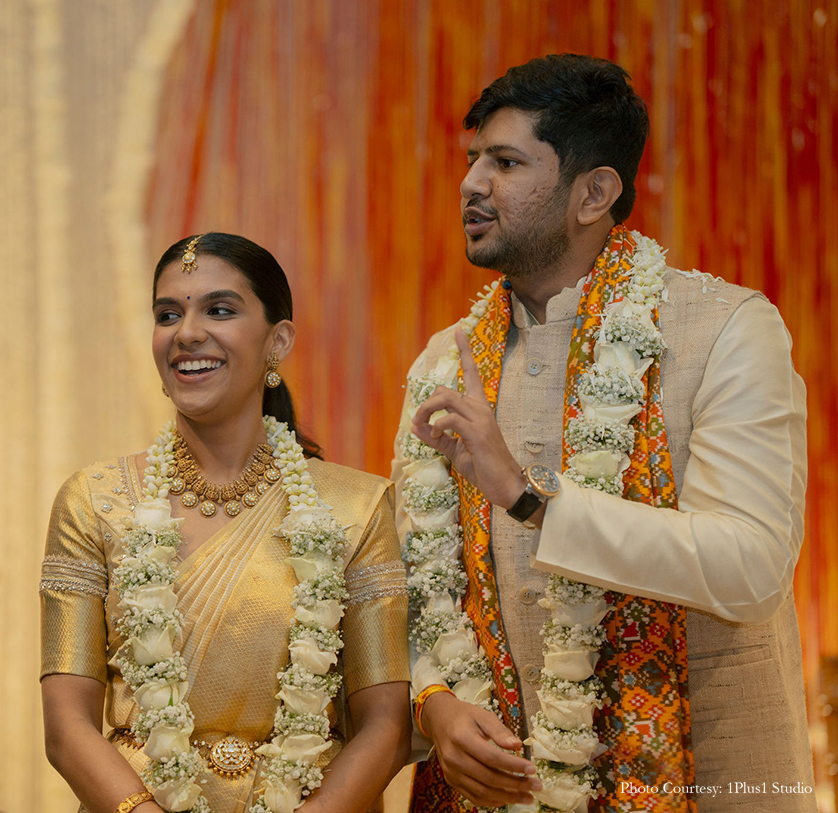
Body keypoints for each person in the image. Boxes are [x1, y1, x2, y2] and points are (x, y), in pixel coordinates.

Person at [393, 54, 813, 812]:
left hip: (710, 780)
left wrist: (529, 500)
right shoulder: (442, 363)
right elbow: (424, 588)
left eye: (505, 161)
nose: (470, 184)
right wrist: (435, 701)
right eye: (471, 160)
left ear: (594, 191)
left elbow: (751, 566)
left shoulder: (725, 330)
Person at [40, 233, 411, 813]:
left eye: (219, 309)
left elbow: (384, 725)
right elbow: (67, 727)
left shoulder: (354, 508)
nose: (187, 333)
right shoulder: (96, 501)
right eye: (168, 314)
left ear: (277, 340)